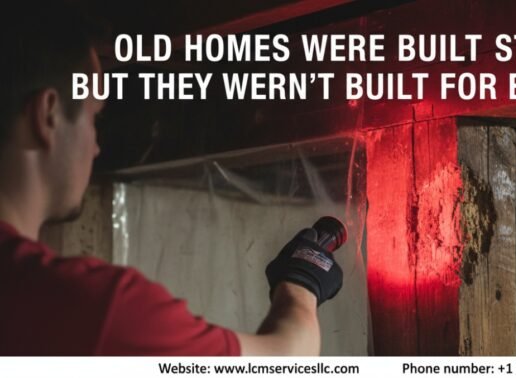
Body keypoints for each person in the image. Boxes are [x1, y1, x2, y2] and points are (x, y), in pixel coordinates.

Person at [0, 2, 342, 356]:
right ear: (48, 114)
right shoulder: (87, 307)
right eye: (93, 116)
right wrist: (303, 279)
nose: (96, 147)